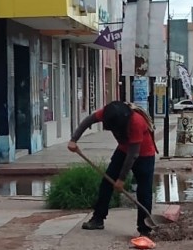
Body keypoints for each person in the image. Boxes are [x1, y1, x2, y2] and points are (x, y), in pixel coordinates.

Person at [67, 101, 158, 237]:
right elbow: (88, 120)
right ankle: (98, 218)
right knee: (107, 183)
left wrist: (121, 179)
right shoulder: (108, 112)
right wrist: (74, 139)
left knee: (144, 191)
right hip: (123, 150)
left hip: (144, 154)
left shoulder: (136, 121)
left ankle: (144, 229)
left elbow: (133, 155)